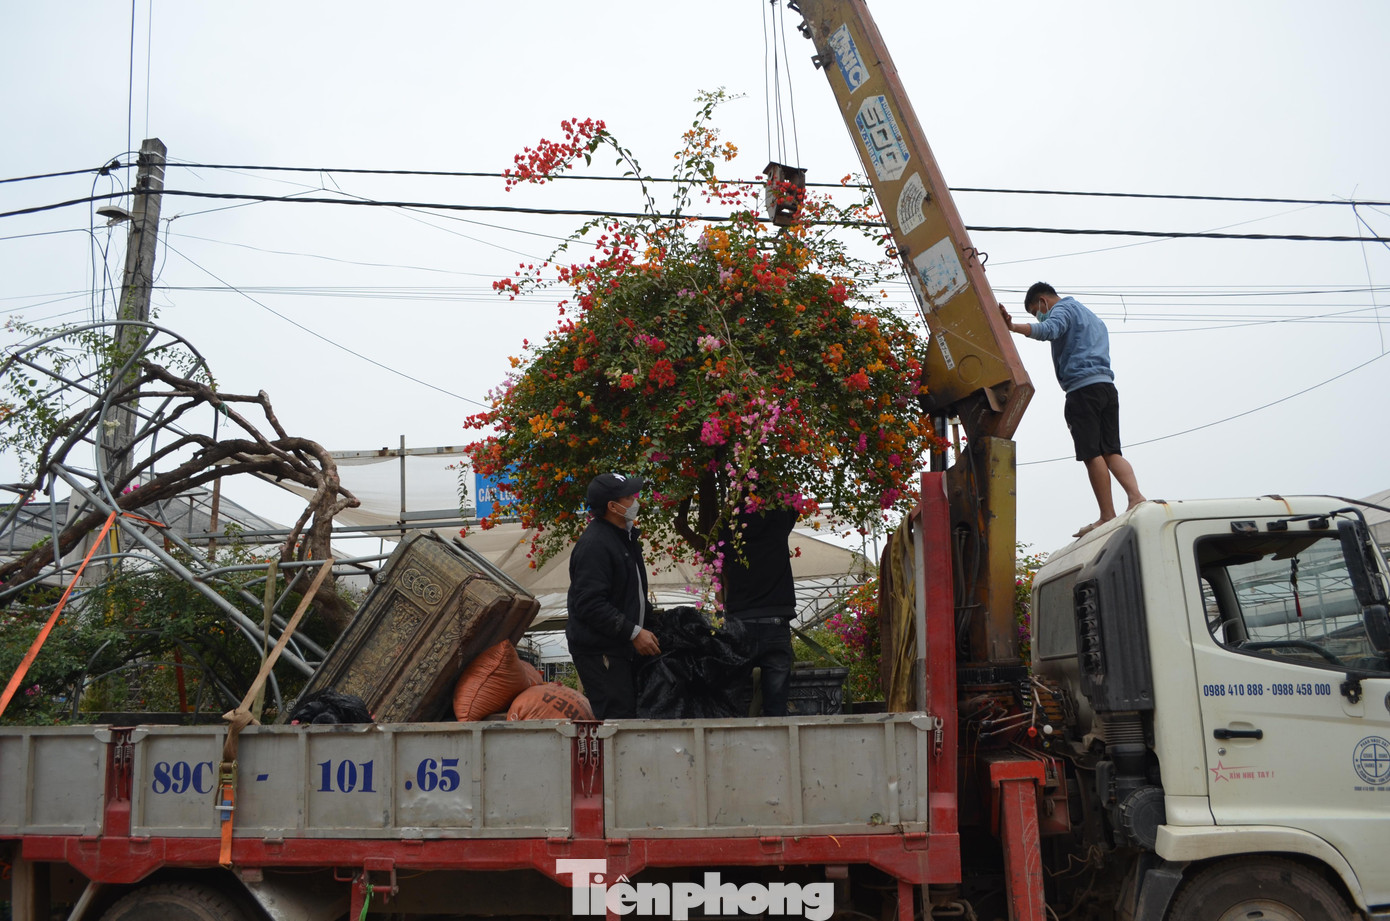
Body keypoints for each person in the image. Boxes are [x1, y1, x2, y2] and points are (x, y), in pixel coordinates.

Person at [1001, 282, 1146, 538]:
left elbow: (1049, 330)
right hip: (1106, 388)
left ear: (1043, 301)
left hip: (1082, 391)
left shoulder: (1062, 310)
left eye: (1036, 311)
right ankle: (1136, 497)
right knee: (1111, 451)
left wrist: (1013, 327)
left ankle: (1107, 515)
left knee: (1092, 454)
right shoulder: (1092, 317)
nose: (1038, 316)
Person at [566, 473, 662, 719]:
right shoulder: (595, 545)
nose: (635, 501)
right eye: (629, 497)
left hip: (619, 649)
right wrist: (633, 631)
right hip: (601, 652)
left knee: (629, 715)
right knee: (617, 720)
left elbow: (630, 595)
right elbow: (590, 604)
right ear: (612, 506)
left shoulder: (625, 537)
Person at [719, 504, 799, 716]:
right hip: (774, 622)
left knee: (732, 704)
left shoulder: (728, 526)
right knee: (776, 708)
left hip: (739, 624)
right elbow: (793, 506)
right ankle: (778, 746)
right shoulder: (778, 520)